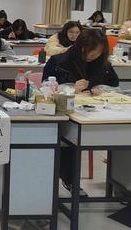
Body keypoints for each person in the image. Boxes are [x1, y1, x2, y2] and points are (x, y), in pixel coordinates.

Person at [42, 29, 119, 196]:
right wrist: (71, 89)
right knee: (69, 140)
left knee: (123, 136)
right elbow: (45, 88)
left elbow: (114, 83)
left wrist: (100, 89)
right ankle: (70, 180)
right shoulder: (59, 61)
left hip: (96, 112)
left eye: (97, 52)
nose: (92, 56)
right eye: (89, 51)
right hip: (65, 114)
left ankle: (122, 184)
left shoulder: (103, 64)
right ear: (79, 46)